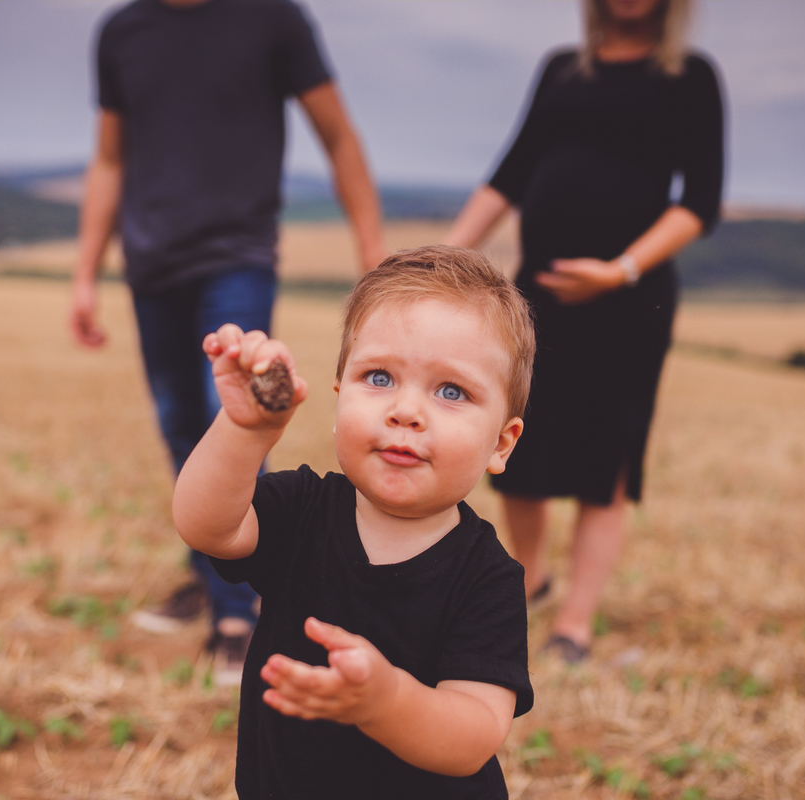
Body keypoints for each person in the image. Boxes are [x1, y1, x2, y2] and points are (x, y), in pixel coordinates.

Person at [70, 0, 385, 684]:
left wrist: (373, 258)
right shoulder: (122, 32)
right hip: (150, 267)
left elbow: (338, 136)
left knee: (237, 421)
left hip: (236, 260)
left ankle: (238, 612)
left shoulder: (274, 19)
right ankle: (215, 570)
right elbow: (108, 160)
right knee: (180, 426)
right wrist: (85, 271)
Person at [172, 246, 535, 798]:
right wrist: (246, 432)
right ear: (341, 394)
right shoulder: (302, 509)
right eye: (380, 378)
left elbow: (475, 737)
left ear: (501, 443)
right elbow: (207, 527)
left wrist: (386, 702)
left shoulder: (487, 577)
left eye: (451, 391)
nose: (406, 411)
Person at [444, 0, 723, 663]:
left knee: (608, 461)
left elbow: (700, 202)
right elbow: (510, 174)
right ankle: (528, 581)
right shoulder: (563, 70)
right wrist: (444, 258)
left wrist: (619, 270)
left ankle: (575, 622)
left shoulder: (690, 77)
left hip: (630, 303)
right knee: (520, 452)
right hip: (537, 296)